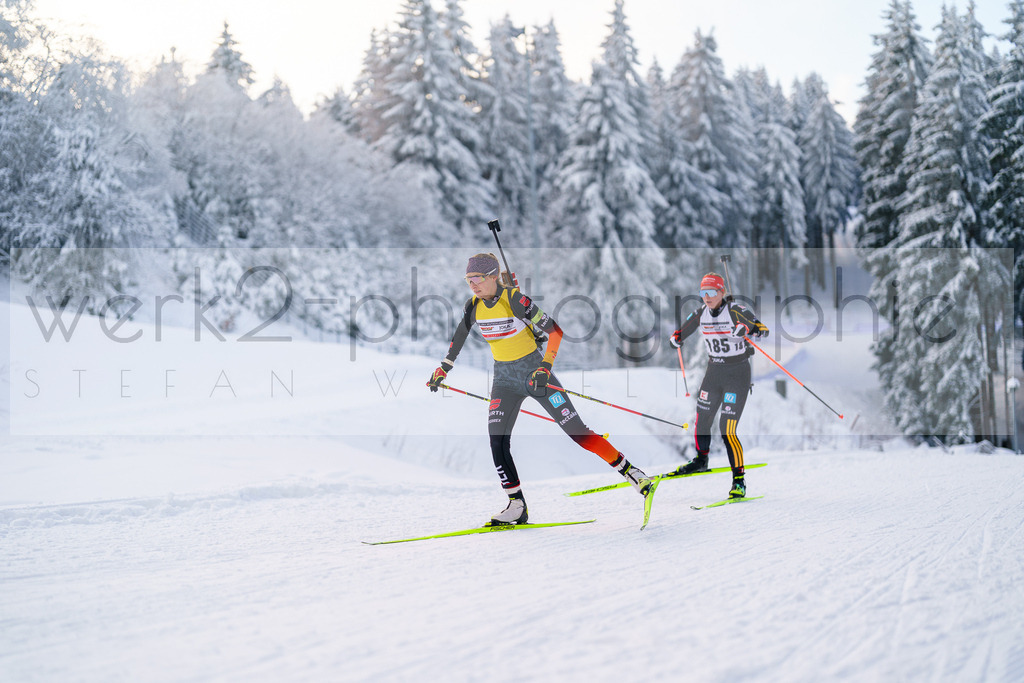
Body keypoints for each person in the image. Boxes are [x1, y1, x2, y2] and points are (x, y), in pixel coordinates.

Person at [427, 253, 653, 525]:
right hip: (504, 380)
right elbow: (459, 337)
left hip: (536, 374)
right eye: (468, 280)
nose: (472, 285)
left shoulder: (514, 299)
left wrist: (545, 367)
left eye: (476, 279)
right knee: (497, 440)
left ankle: (634, 474)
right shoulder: (473, 306)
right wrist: (444, 367)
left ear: (492, 277)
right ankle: (516, 504)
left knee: (578, 433)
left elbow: (555, 331)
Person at [669, 272, 768, 498]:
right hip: (714, 372)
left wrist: (749, 329)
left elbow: (762, 329)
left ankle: (739, 481)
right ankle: (701, 460)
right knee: (702, 419)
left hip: (737, 374)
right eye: (703, 292)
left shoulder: (735, 311)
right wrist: (676, 337)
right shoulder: (701, 313)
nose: (707, 297)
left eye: (712, 292)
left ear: (721, 291)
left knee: (727, 429)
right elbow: (683, 331)